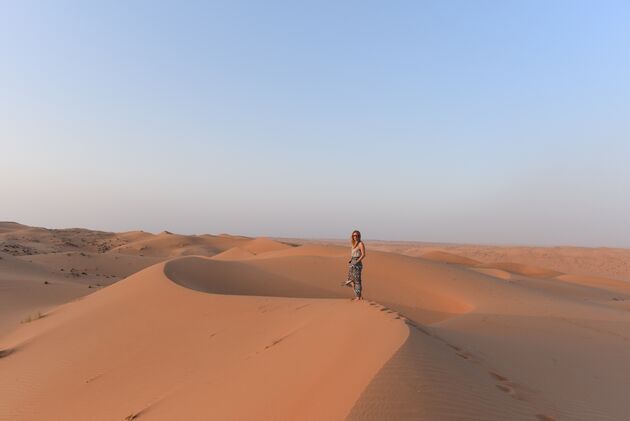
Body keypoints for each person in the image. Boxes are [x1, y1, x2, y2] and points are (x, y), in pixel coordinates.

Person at [342, 230, 365, 300]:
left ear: (359, 236)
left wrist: (357, 261)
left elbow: (363, 255)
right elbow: (353, 254)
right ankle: (359, 295)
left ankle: (358, 297)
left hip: (357, 264)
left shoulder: (360, 244)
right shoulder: (353, 243)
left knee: (357, 280)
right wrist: (351, 259)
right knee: (350, 280)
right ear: (352, 236)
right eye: (354, 235)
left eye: (357, 235)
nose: (356, 237)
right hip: (352, 262)